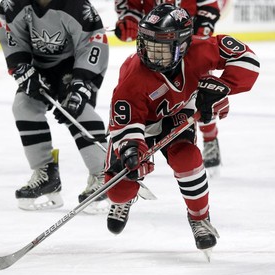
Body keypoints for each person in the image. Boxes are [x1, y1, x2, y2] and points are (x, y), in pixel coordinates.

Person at [105, 4, 259, 257]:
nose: (152, 55)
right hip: (139, 125)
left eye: (161, 49)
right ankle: (125, 199)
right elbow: (126, 125)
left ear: (183, 44)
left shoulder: (201, 49)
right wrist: (132, 150)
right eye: (148, 45)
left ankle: (199, 218)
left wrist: (222, 87)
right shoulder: (133, 77)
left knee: (188, 159)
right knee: (120, 189)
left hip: (176, 115)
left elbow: (248, 59)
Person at [0, 0, 110, 212]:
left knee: (75, 109)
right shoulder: (12, 4)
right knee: (23, 106)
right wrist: (22, 69)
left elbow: (93, 43)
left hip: (75, 65)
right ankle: (46, 174)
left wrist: (81, 83)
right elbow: (12, 40)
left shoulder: (77, 6)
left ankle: (103, 173)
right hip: (39, 67)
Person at [114, 0, 223, 175]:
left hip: (188, 43)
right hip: (158, 48)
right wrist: (130, 21)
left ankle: (210, 138)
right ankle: (135, 140)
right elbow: (131, 7)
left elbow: (209, 6)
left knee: (204, 93)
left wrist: (198, 35)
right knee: (144, 94)